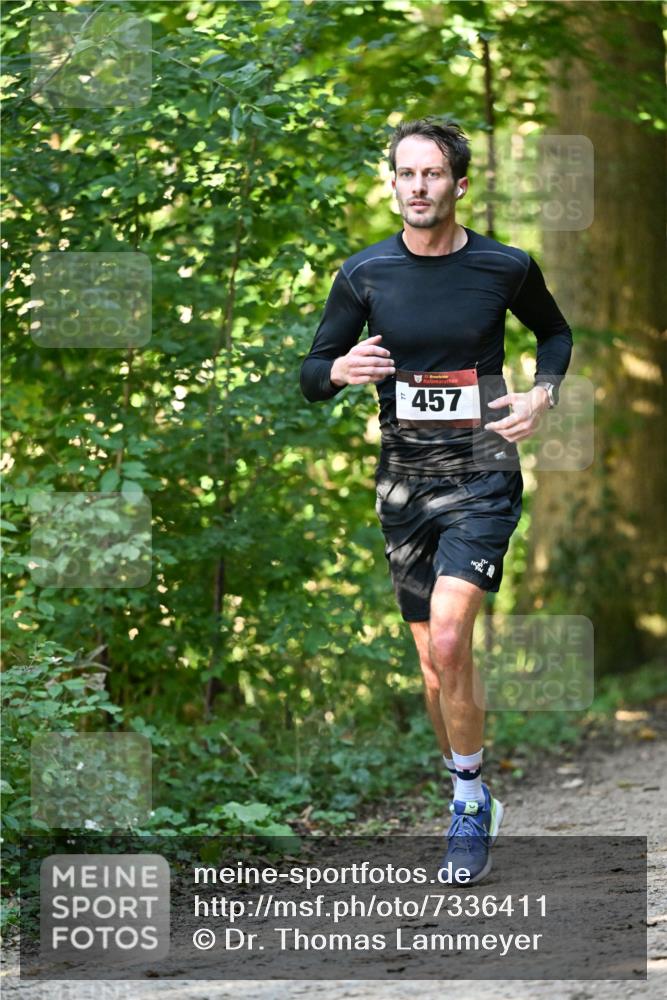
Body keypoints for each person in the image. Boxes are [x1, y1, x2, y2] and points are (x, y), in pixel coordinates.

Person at [299, 118, 572, 883]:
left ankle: (468, 799)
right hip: (402, 480)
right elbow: (312, 373)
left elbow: (554, 335)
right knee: (429, 661)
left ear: (458, 183)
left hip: (481, 470)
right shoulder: (363, 274)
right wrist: (341, 369)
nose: (417, 187)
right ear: (392, 183)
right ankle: (463, 778)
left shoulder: (504, 265)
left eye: (431, 175)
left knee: (451, 643)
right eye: (405, 174)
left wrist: (541, 396)